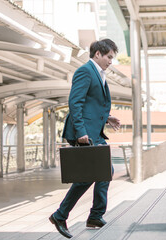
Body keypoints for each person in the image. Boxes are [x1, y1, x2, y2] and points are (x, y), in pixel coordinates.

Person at [49, 39, 121, 239]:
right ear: (97, 54)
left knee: (105, 170)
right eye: (109, 57)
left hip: (94, 131)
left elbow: (91, 104)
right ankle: (60, 215)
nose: (111, 62)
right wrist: (81, 132)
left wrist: (107, 118)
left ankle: (95, 216)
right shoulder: (85, 71)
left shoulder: (98, 73)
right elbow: (75, 102)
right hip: (84, 133)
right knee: (89, 175)